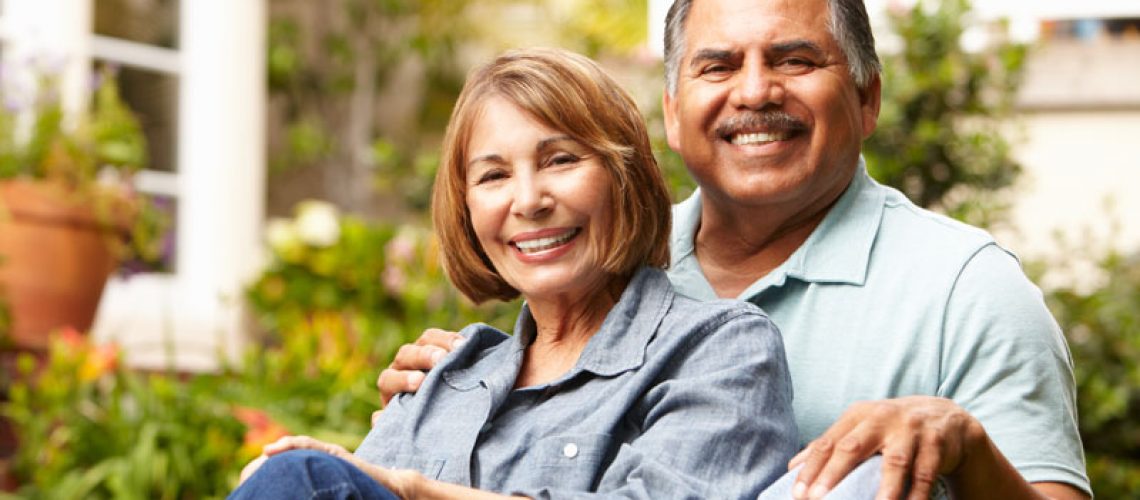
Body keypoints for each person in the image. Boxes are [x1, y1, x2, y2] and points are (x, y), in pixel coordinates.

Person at [377, 1, 1092, 499]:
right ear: (671, 111)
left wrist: (964, 447)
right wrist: (461, 399)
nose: (755, 91)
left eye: (795, 59)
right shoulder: (600, 263)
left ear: (868, 97)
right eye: (717, 67)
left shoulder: (965, 289)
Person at [231, 47, 798, 499]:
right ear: (467, 210)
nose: (528, 200)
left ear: (625, 177)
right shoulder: (442, 379)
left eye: (561, 160)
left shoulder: (722, 347)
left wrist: (413, 489)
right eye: (494, 175)